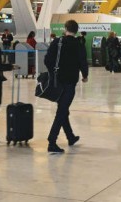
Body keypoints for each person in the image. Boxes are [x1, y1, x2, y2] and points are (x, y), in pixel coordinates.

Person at [45, 19, 89, 154]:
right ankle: (52, 141)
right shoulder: (78, 44)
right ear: (76, 31)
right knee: (62, 111)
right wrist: (85, 75)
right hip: (70, 81)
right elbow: (83, 61)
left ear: (65, 28)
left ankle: (70, 137)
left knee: (63, 109)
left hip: (57, 81)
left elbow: (47, 60)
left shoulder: (57, 42)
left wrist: (53, 72)